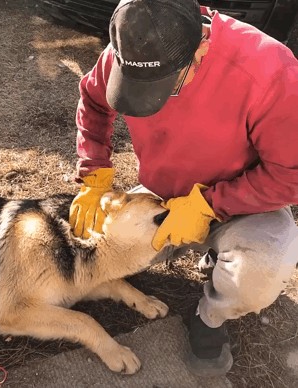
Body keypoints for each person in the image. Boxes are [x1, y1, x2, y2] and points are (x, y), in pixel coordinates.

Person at [69, 0, 298, 377]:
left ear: (202, 48)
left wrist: (209, 205)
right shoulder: (132, 46)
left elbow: (290, 175)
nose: (153, 100)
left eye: (163, 86)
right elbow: (94, 101)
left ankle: (208, 316)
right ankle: (209, 257)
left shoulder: (271, 70)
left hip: (244, 205)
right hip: (161, 200)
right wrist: (94, 173)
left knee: (260, 272)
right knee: (93, 249)